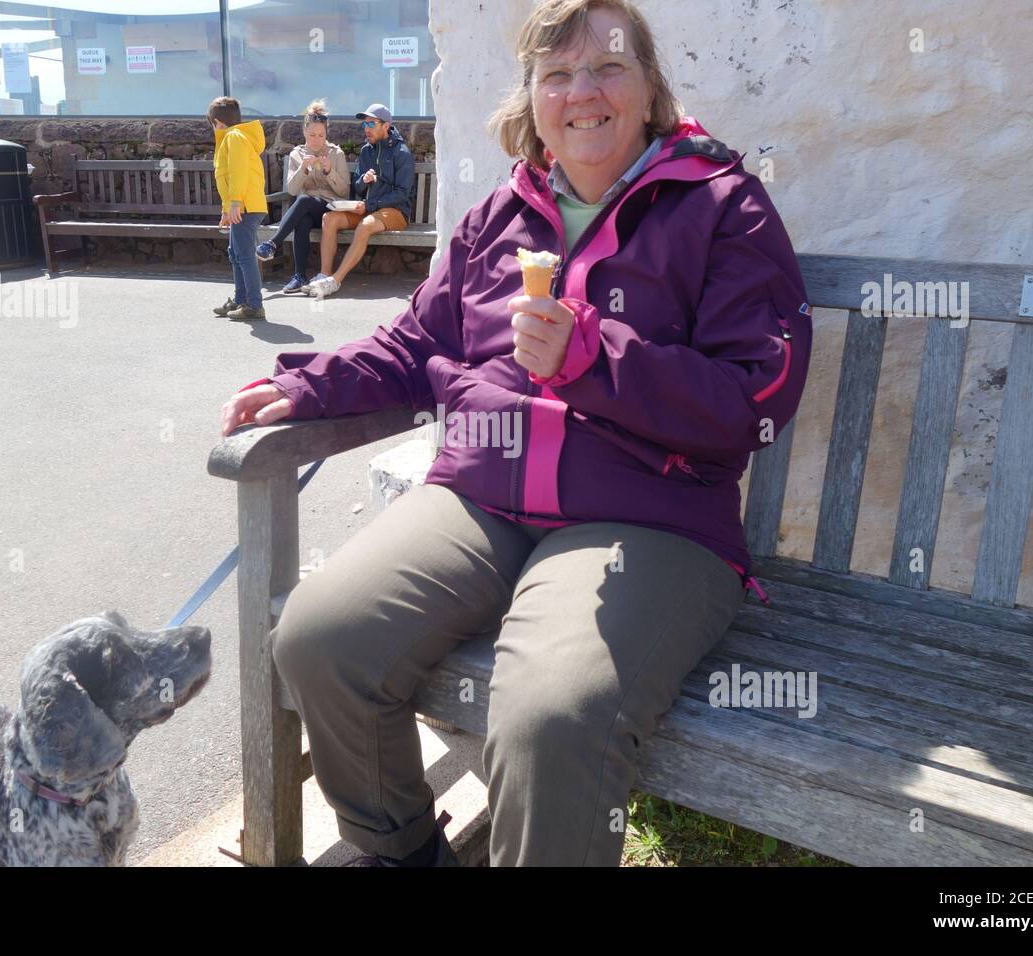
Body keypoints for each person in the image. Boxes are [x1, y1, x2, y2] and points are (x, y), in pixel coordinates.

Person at [220, 0, 812, 866]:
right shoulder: (501, 214)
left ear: (650, 90)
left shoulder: (723, 206)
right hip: (484, 494)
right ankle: (402, 850)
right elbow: (419, 340)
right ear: (532, 97)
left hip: (647, 518)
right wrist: (307, 384)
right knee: (317, 640)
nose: (584, 92)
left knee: (548, 721)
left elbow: (754, 391)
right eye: (557, 73)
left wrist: (594, 357)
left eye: (609, 67)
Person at [301, 103, 413, 299]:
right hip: (367, 209)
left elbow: (402, 193)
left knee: (365, 225)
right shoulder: (366, 152)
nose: (366, 129)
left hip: (395, 212)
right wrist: (363, 180)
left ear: (385, 126)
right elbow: (358, 188)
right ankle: (324, 275)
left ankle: (335, 281)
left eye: (371, 124)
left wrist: (370, 205)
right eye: (365, 125)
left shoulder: (401, 152)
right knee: (329, 218)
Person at [254, 99, 349, 294]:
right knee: (303, 217)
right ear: (304, 132)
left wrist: (329, 170)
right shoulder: (297, 154)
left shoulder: (336, 153)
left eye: (321, 135)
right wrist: (303, 168)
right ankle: (299, 276)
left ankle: (273, 244)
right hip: (306, 210)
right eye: (312, 134)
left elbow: (343, 192)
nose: (316, 139)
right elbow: (291, 190)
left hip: (329, 210)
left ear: (326, 134)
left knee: (304, 201)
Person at [208, 95, 268, 322]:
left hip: (245, 206)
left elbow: (237, 172)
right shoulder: (234, 137)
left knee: (243, 255)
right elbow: (229, 177)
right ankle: (241, 299)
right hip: (242, 205)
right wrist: (227, 208)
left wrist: (234, 203)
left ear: (216, 122)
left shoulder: (234, 138)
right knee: (236, 254)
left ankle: (253, 304)